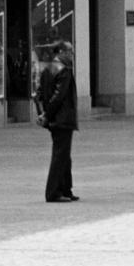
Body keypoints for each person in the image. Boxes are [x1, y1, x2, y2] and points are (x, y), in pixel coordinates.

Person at [42, 44, 79, 203]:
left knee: (64, 156)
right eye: (70, 51)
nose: (72, 54)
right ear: (61, 52)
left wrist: (44, 114)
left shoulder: (49, 68)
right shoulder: (64, 70)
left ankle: (66, 189)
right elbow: (59, 96)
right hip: (62, 119)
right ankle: (53, 192)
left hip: (55, 119)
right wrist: (48, 114)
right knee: (60, 156)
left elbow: (40, 93)